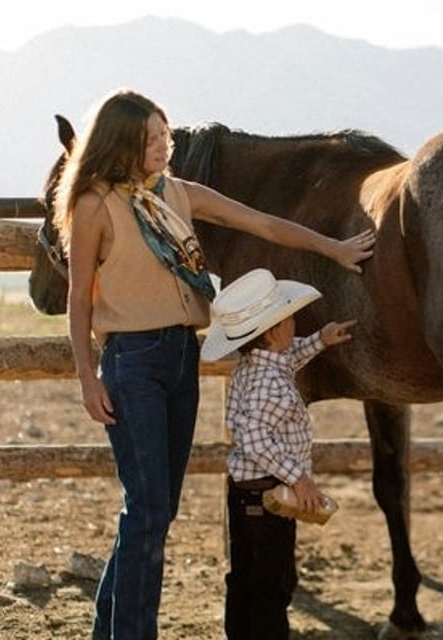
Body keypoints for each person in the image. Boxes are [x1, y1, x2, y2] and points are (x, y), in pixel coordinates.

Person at [53, 88, 374, 640]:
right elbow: (79, 296)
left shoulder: (178, 193)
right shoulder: (93, 204)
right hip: (132, 362)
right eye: (151, 139)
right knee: (148, 511)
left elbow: (262, 223)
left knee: (156, 510)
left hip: (182, 355)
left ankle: (109, 631)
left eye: (165, 135)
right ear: (121, 141)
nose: (163, 146)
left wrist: (332, 248)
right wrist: (87, 376)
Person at [200, 268, 352, 640]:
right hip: (270, 494)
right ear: (273, 333)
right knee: (273, 584)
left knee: (244, 578)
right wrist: (299, 479)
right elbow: (255, 439)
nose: (294, 324)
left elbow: (287, 358)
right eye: (289, 319)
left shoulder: (254, 365)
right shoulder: (269, 381)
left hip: (245, 492)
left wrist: (319, 340)